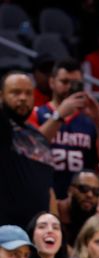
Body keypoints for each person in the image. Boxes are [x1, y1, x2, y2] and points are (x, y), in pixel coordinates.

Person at [29, 58, 99, 199]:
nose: (69, 88)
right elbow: (31, 148)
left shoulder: (93, 118)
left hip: (82, 202)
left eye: (75, 83)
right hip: (43, 197)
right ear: (52, 82)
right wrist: (59, 115)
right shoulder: (36, 113)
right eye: (64, 82)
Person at [0, 71, 56, 227]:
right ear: (1, 96)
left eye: (28, 93)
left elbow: (48, 190)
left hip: (37, 234)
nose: (23, 98)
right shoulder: (3, 128)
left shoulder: (38, 137)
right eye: (16, 92)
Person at [56, 171, 99, 248]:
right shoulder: (53, 211)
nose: (90, 195)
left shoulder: (98, 221)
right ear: (70, 190)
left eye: (96, 191)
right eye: (84, 189)